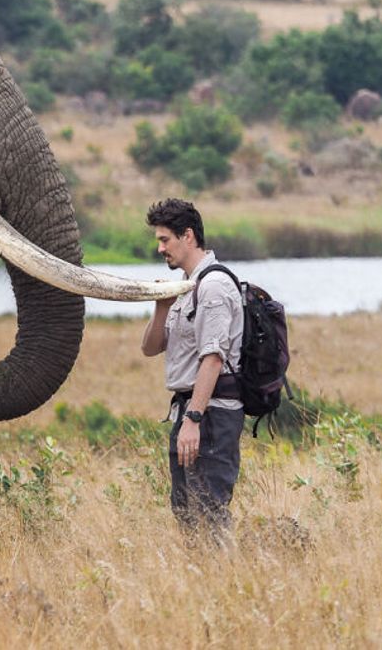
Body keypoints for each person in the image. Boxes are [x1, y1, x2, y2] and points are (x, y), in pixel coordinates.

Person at [140, 198, 244, 537]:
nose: (159, 248)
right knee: (186, 511)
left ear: (188, 236)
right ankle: (203, 582)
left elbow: (213, 358)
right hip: (190, 410)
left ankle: (225, 579)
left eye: (164, 239)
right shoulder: (185, 287)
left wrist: (194, 420)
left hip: (210, 415)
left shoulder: (212, 286)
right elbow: (150, 347)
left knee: (208, 510)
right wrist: (162, 307)